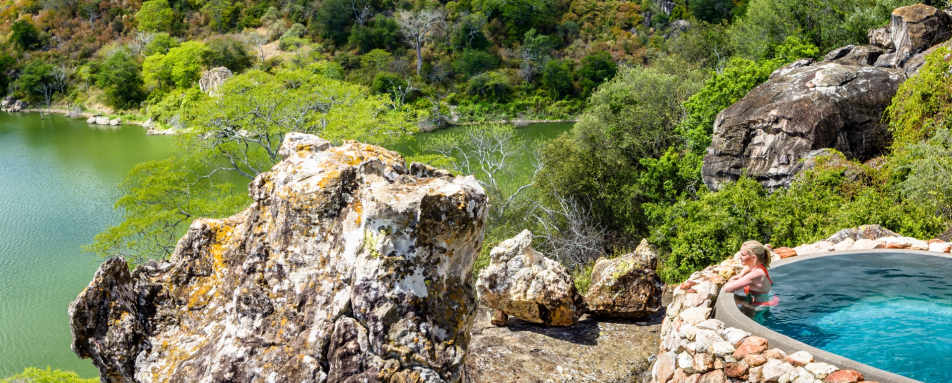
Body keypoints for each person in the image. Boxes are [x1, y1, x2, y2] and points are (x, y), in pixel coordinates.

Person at [723, 241, 779, 310]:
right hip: (767, 298)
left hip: (761, 307)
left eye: (743, 255)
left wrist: (731, 280)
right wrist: (741, 275)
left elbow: (727, 288)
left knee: (737, 300)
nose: (739, 257)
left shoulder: (756, 274)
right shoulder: (758, 266)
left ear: (754, 258)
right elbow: (747, 268)